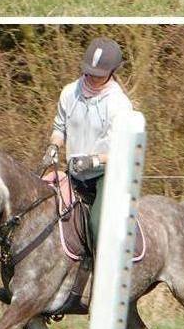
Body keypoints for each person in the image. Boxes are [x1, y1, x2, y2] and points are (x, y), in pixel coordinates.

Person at [41, 37, 137, 254]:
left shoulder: (119, 104)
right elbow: (59, 128)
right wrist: (53, 147)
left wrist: (94, 159)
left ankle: (99, 272)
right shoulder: (69, 92)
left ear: (111, 73)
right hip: (75, 172)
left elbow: (124, 150)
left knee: (96, 224)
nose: (91, 77)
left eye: (98, 75)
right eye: (89, 72)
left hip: (106, 175)